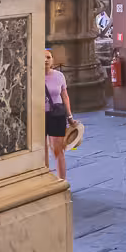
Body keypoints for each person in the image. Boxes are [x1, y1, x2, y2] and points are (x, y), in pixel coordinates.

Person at [43, 50, 77, 181]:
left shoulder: (59, 76)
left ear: (52, 60)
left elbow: (65, 96)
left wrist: (70, 117)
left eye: (48, 57)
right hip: (39, 116)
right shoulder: (32, 76)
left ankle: (62, 180)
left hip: (56, 115)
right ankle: (44, 180)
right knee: (42, 151)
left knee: (58, 150)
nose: (46, 60)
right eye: (43, 57)